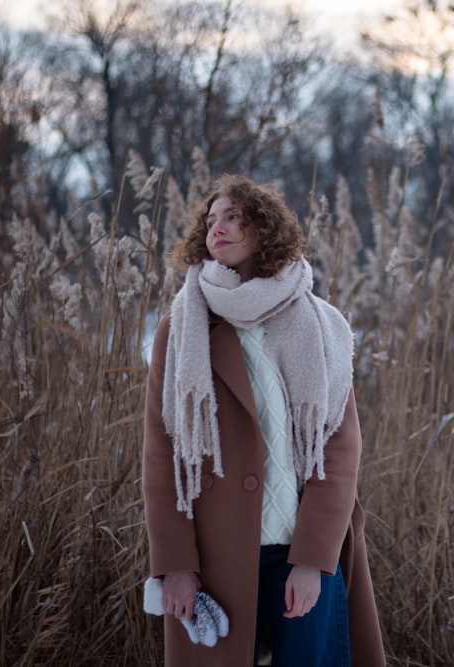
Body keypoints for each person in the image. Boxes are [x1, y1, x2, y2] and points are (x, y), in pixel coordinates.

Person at [141, 174, 385, 666]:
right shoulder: (184, 327)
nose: (218, 227)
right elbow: (161, 453)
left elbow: (339, 450)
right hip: (217, 557)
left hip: (301, 550)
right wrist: (176, 566)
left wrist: (314, 560)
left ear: (265, 227)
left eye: (233, 216)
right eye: (211, 220)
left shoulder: (319, 323)